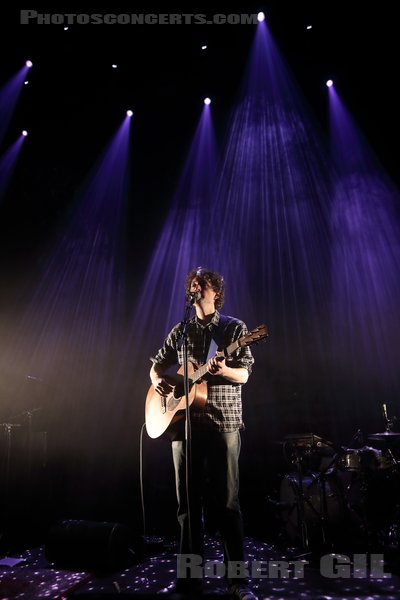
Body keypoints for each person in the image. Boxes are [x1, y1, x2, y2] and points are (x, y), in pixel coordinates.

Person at [149, 267, 257, 600]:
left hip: (223, 421)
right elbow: (157, 365)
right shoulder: (181, 330)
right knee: (187, 506)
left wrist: (224, 369)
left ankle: (237, 582)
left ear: (215, 293)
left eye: (203, 283)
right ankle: (189, 580)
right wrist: (157, 381)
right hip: (183, 424)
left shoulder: (234, 328)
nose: (196, 286)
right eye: (193, 284)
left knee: (226, 503)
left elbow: (244, 376)